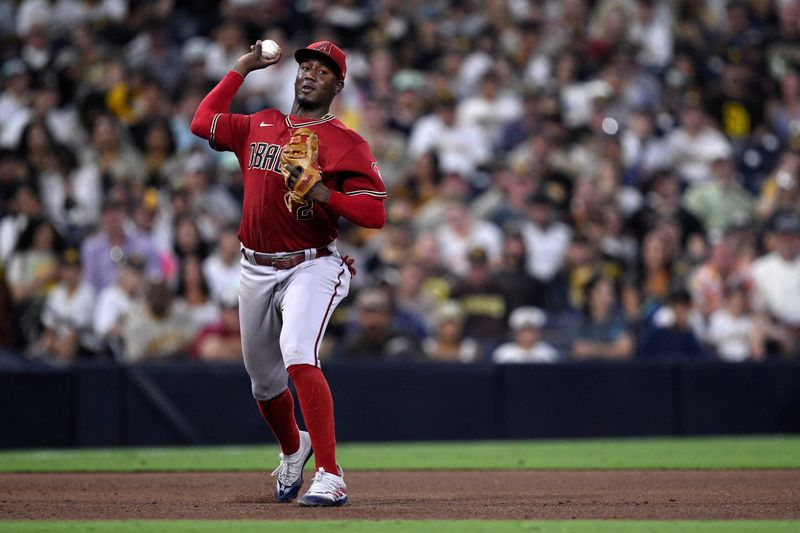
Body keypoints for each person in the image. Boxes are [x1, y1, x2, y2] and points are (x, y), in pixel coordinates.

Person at [191, 39, 386, 506]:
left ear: (338, 85)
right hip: (254, 264)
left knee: (298, 352)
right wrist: (241, 67)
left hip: (312, 263)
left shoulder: (345, 142)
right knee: (263, 382)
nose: (310, 74)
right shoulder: (261, 123)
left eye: (323, 70)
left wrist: (325, 195)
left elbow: (375, 214)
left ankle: (331, 474)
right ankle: (293, 447)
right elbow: (201, 122)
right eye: (306, 66)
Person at [492, 306, 559, 364]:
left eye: (531, 330)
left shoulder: (549, 353)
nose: (527, 335)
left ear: (539, 332)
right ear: (515, 333)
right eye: (523, 331)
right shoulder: (503, 353)